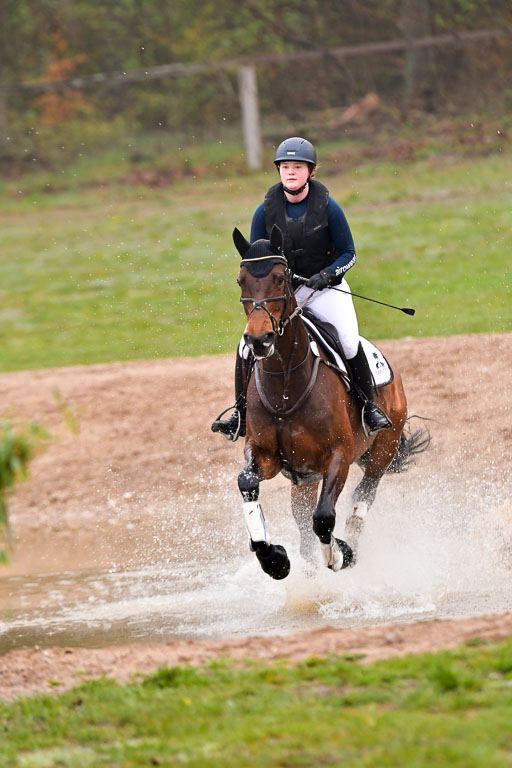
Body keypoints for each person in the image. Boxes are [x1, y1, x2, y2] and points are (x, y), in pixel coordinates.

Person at [211, 136, 391, 441]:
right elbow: (258, 261)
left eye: (297, 167)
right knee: (245, 346)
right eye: (285, 167)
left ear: (310, 171)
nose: (290, 172)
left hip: (326, 291)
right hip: (283, 295)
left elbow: (349, 253)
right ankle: (240, 415)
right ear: (279, 171)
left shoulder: (329, 208)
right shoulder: (264, 212)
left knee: (348, 343)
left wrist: (327, 274)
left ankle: (369, 408)